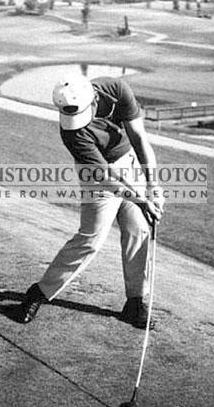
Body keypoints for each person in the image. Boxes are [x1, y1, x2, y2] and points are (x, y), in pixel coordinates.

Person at [21, 75, 164, 329]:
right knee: (91, 239)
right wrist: (141, 201)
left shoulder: (115, 89)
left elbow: (139, 137)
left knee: (138, 230)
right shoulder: (72, 132)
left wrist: (152, 186)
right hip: (99, 177)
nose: (75, 123)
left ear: (94, 99)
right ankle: (38, 293)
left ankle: (135, 303)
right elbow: (104, 176)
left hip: (128, 163)